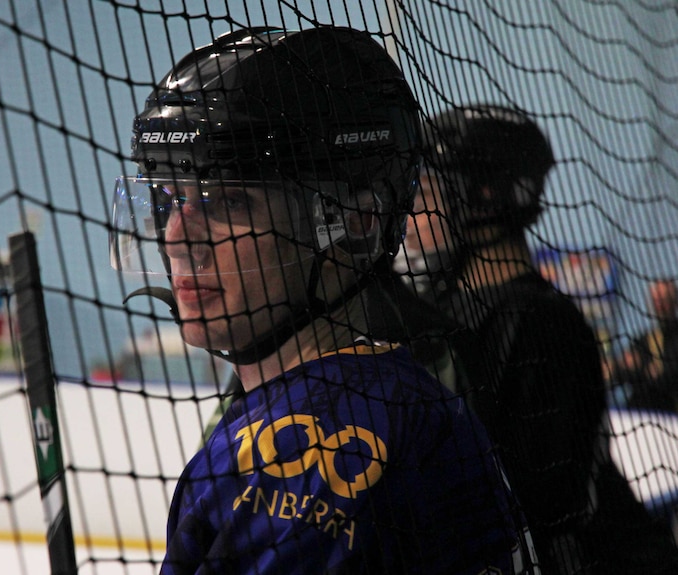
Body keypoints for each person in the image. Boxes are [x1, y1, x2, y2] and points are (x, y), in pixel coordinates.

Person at [110, 27, 538, 574]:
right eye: (171, 198)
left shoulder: (303, 454)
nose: (177, 235)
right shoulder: (402, 398)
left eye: (230, 200)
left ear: (355, 222)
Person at [419, 103, 678, 574]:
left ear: (481, 195)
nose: (417, 209)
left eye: (431, 189)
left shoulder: (537, 321)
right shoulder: (442, 304)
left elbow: (544, 497)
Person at [617, 278, 678, 412]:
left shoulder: (674, 340)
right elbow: (622, 371)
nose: (659, 306)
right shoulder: (644, 341)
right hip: (638, 412)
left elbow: (669, 375)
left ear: (674, 302)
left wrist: (641, 367)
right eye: (656, 300)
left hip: (669, 414)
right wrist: (646, 369)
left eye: (663, 300)